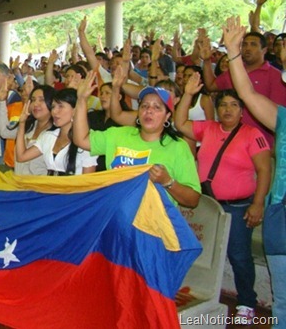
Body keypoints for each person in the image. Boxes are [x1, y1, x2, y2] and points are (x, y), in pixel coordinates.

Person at [175, 72, 270, 323]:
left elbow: (264, 170)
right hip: (208, 205)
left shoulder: (252, 134)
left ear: (242, 111)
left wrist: (258, 203)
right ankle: (198, 292)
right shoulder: (208, 129)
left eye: (234, 105)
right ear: (216, 110)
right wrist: (187, 94)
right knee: (201, 251)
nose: (227, 109)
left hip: (238, 207)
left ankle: (247, 304)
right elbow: (180, 122)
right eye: (223, 105)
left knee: (239, 255)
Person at [223, 16, 286, 327]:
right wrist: (233, 52)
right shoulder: (282, 118)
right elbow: (246, 94)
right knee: (283, 303)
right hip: (281, 216)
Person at [73, 71, 200, 208]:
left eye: (157, 107)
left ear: (167, 116)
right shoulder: (119, 135)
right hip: (115, 217)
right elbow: (81, 140)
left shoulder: (178, 147)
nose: (149, 111)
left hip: (153, 224)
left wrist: (167, 182)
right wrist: (81, 100)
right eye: (144, 106)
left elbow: (193, 200)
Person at [15, 87, 98, 176]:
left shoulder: (88, 141)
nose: (54, 111)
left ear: (75, 111)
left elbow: (88, 181)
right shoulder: (48, 136)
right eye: (53, 107)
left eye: (60, 106)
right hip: (48, 188)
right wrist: (22, 123)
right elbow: (21, 157)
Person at [0, 83, 54, 175]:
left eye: (41, 100)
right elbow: (4, 132)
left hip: (39, 186)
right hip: (19, 184)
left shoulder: (54, 133)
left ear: (52, 103)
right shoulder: (28, 125)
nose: (35, 104)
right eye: (33, 100)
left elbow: (22, 156)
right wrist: (1, 101)